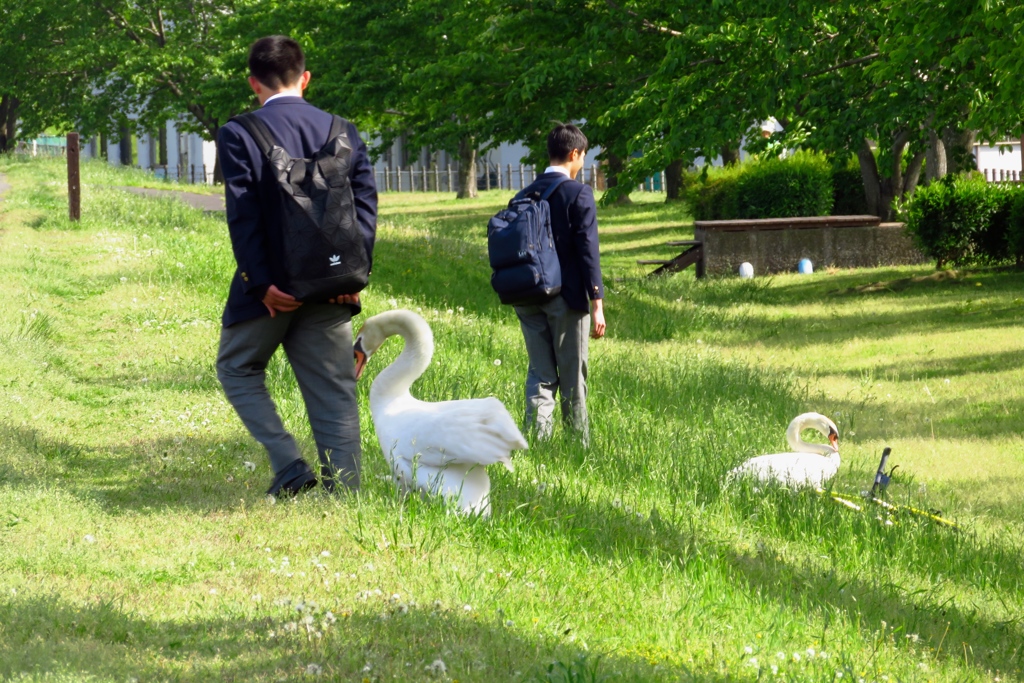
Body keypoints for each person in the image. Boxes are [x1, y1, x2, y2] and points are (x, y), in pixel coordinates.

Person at [215, 36, 377, 497]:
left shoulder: (239, 132)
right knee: (334, 390)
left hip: (274, 291)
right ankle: (344, 495)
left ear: (254, 83)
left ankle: (289, 465)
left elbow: (243, 215)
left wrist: (259, 282)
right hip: (334, 284)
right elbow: (365, 210)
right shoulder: (344, 130)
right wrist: (353, 277)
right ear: (305, 78)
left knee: (237, 368)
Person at [514, 123, 606, 442]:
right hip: (565, 298)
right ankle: (577, 446)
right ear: (574, 153)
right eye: (583, 157)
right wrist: (597, 303)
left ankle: (537, 445)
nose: (583, 164)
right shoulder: (578, 193)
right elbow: (587, 250)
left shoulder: (524, 194)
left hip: (525, 294)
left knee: (540, 375)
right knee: (572, 377)